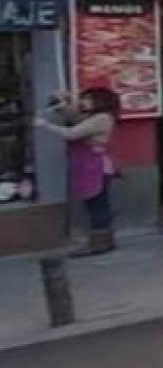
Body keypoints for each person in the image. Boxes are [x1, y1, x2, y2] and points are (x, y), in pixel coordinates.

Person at [37, 88, 119, 256]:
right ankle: (103, 241)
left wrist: (45, 125)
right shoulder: (93, 117)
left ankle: (100, 243)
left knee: (98, 205)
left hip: (97, 167)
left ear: (100, 101)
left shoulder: (102, 118)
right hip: (89, 166)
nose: (84, 102)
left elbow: (72, 133)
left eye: (88, 99)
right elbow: (74, 118)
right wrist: (63, 104)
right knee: (95, 204)